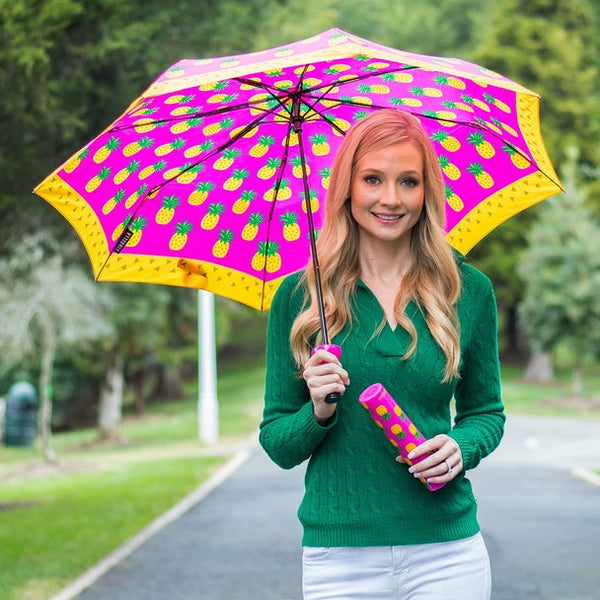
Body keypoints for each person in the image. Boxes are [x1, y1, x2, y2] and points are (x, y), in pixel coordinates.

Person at [259, 108, 505, 600]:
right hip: (340, 560)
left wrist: (461, 447)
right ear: (347, 188)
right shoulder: (301, 298)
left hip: (448, 551)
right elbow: (278, 443)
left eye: (408, 182)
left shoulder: (468, 289)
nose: (391, 199)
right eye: (373, 179)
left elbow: (486, 413)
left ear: (426, 192)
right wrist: (319, 409)